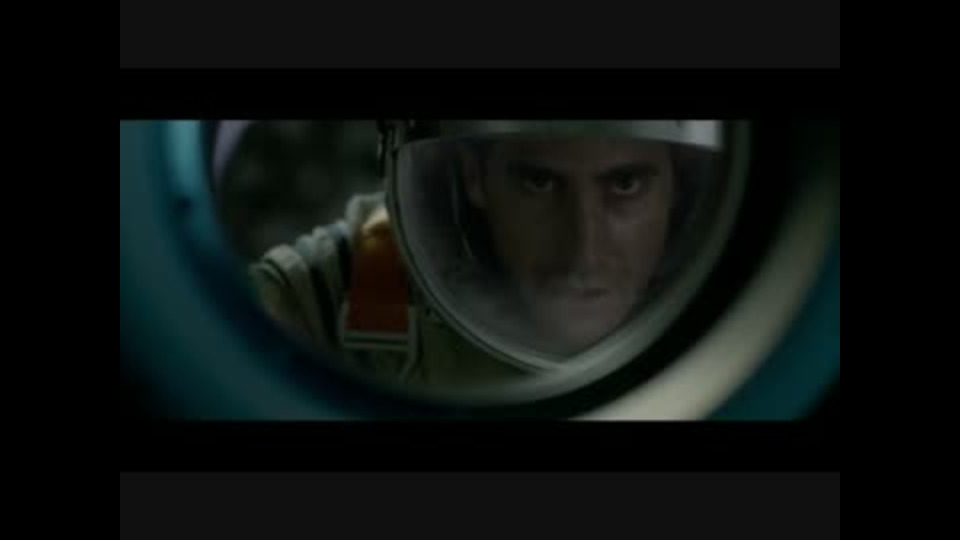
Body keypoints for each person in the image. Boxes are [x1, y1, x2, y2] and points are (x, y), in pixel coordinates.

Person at [246, 121, 720, 388]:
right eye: (539, 182)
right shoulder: (313, 310)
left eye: (625, 184)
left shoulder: (741, 309)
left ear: (680, 183)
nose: (585, 253)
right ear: (473, 175)